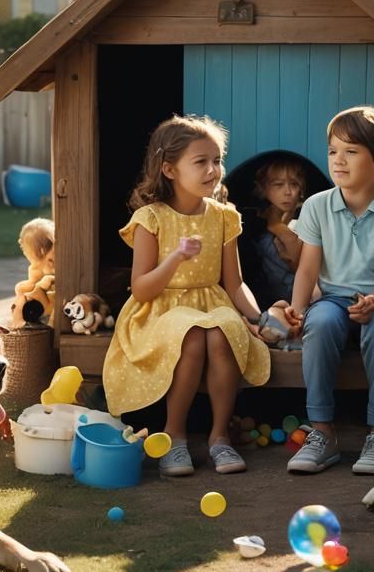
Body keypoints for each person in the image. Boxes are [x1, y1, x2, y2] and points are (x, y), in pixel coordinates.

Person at [102, 115, 271, 476]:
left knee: (223, 328)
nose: (213, 170)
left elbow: (234, 283)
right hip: (159, 312)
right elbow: (142, 288)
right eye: (201, 162)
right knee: (192, 334)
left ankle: (220, 437)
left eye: (217, 160)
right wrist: (176, 257)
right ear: (169, 169)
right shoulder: (151, 218)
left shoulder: (225, 217)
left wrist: (260, 317)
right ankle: (174, 437)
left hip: (211, 303)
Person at [284, 106, 374, 476]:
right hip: (334, 300)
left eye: (351, 152)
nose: (338, 161)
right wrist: (297, 309)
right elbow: (308, 268)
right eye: (332, 151)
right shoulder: (316, 206)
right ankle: (322, 432)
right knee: (321, 320)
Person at [243, 157, 308, 311]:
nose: (287, 192)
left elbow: (297, 260)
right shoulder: (253, 222)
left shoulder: (305, 219)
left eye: (294, 184)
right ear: (263, 189)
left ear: (301, 190)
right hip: (265, 300)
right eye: (278, 185)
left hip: (301, 299)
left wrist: (276, 226)